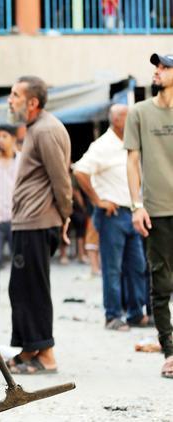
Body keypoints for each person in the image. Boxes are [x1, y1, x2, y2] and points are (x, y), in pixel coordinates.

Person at [6, 76, 72, 375]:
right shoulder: (35, 128)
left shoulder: (46, 129)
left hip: (38, 221)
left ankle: (45, 354)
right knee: (21, 289)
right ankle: (29, 348)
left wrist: (65, 216)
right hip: (27, 222)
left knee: (33, 289)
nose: (10, 99)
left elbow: (61, 180)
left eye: (15, 94)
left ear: (32, 102)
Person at [74, 104, 148, 331]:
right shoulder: (102, 146)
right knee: (112, 268)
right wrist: (98, 200)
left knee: (137, 266)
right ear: (117, 120)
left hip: (131, 212)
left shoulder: (130, 143)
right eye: (129, 117)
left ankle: (136, 313)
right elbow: (80, 171)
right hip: (111, 215)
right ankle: (113, 315)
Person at [125, 53, 173, 379]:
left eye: (165, 67)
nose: (157, 72)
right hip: (156, 210)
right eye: (156, 67)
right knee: (161, 284)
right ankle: (170, 351)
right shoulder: (139, 112)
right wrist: (135, 205)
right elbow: (132, 161)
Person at [0, 124, 21, 302]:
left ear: (13, 139)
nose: (0, 140)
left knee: (18, 258)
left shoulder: (21, 160)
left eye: (5, 136)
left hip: (16, 216)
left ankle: (18, 293)